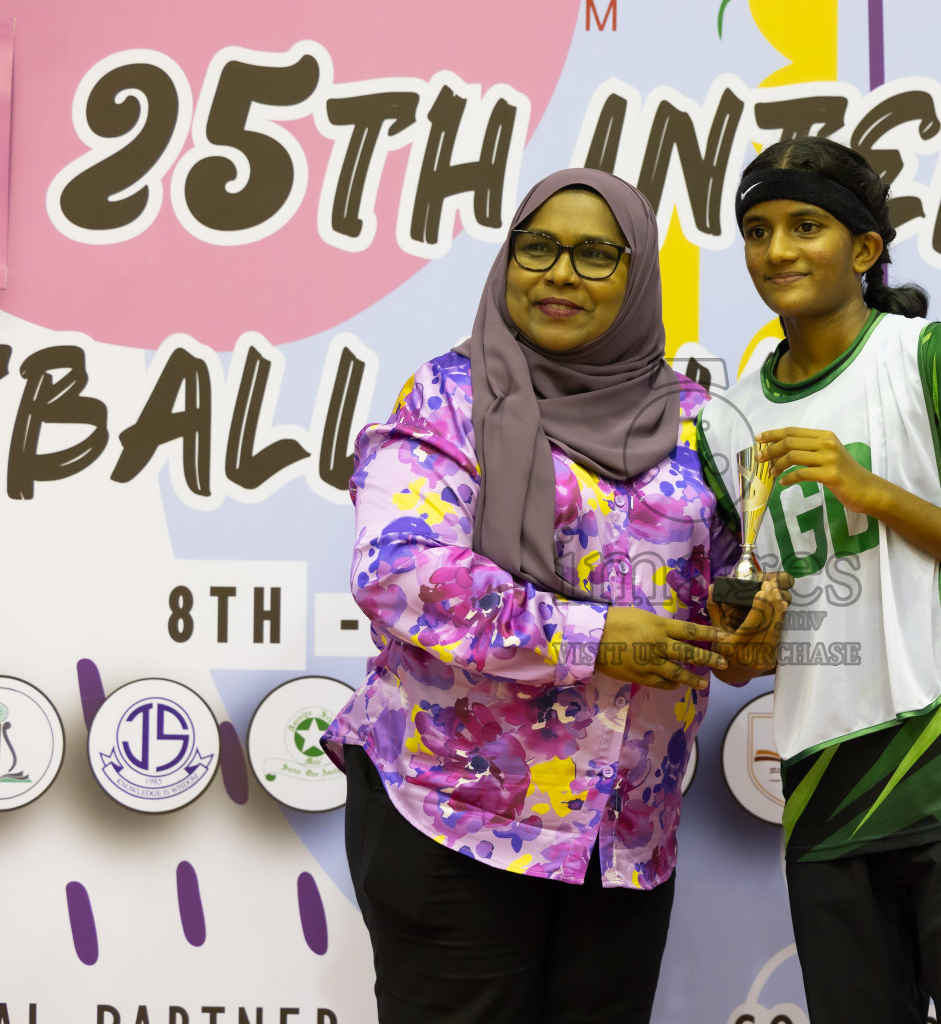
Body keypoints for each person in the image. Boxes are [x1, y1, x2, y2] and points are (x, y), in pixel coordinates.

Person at [324, 167, 788, 1024]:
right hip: (455, 812)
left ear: (639, 273)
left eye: (594, 254)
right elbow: (399, 568)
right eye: (537, 247)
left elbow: (738, 574)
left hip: (624, 834)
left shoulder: (697, 423)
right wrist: (593, 636)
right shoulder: (448, 399)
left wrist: (755, 628)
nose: (560, 273)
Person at [699, 138, 941, 1023]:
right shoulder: (725, 424)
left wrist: (874, 493)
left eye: (805, 225)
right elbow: (751, 656)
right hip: (824, 796)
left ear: (864, 249)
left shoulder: (936, 361)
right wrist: (741, 634)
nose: (777, 250)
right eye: (756, 230)